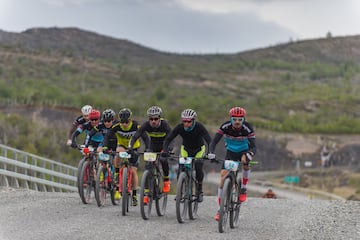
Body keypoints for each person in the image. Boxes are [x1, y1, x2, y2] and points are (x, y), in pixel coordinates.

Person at [208, 106, 256, 221]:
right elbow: (214, 142)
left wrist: (249, 155)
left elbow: (254, 147)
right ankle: (220, 209)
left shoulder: (247, 128)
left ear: (243, 119)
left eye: (240, 119)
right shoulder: (225, 126)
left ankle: (243, 187)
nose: (237, 122)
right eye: (234, 119)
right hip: (231, 152)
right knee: (223, 178)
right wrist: (211, 153)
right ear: (231, 119)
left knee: (245, 163)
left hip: (244, 150)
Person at [100, 108, 148, 205]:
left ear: (130, 120)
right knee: (118, 151)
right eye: (122, 122)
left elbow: (145, 138)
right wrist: (104, 147)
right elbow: (107, 137)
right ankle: (117, 173)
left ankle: (134, 195)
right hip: (122, 146)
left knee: (134, 171)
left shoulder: (136, 125)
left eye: (126, 122)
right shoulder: (117, 126)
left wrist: (148, 149)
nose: (124, 124)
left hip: (134, 148)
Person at [162, 108, 211, 202]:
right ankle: (180, 192)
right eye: (184, 121)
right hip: (186, 149)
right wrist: (165, 150)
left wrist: (210, 153)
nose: (186, 123)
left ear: (193, 121)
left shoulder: (199, 127)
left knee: (198, 165)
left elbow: (209, 140)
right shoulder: (180, 127)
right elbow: (168, 139)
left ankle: (199, 190)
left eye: (188, 121)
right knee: (181, 168)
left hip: (199, 149)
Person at [128, 106, 172, 193]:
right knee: (148, 166)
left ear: (159, 118)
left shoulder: (165, 125)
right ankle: (147, 192)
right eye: (151, 119)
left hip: (164, 146)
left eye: (155, 119)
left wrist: (167, 149)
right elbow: (136, 136)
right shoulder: (146, 125)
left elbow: (171, 137)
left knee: (163, 160)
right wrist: (130, 147)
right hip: (152, 146)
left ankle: (166, 180)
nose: (153, 121)